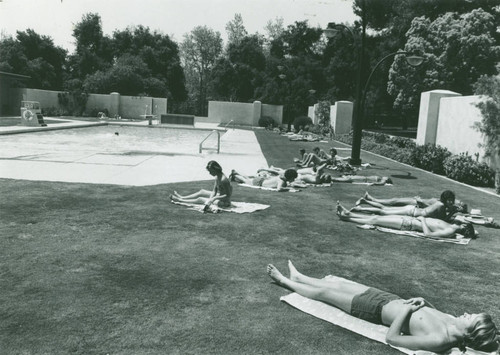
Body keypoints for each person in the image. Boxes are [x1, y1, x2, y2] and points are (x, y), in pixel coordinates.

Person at [267, 261, 498, 353]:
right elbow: (429, 313)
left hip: (374, 310)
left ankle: (285, 282)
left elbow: (393, 339)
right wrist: (421, 302)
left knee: (326, 293)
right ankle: (300, 276)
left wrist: (407, 310)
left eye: (471, 317)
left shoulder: (439, 340)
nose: (467, 312)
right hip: (388, 298)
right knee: (338, 283)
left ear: (469, 333)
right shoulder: (451, 322)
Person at [336, 202, 475, 239]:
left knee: (376, 220)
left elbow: (428, 235)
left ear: (464, 227)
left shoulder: (450, 231)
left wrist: (423, 220)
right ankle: (348, 214)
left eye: (464, 222)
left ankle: (347, 217)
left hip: (409, 224)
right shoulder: (451, 225)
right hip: (410, 219)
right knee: (377, 218)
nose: (462, 220)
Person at [352, 190, 457, 220]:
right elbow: (444, 219)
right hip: (412, 209)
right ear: (446, 199)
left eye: (452, 200)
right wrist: (452, 212)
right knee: (385, 210)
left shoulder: (440, 204)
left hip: (412, 210)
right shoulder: (441, 205)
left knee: (385, 209)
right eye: (450, 200)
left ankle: (365, 203)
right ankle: (364, 205)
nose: (451, 202)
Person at [230, 168, 298, 191]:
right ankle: (235, 174)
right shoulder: (281, 180)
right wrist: (288, 189)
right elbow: (279, 189)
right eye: (293, 178)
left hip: (262, 180)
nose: (294, 180)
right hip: (260, 182)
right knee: (245, 180)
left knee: (247, 179)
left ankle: (236, 173)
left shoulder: (281, 177)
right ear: (291, 177)